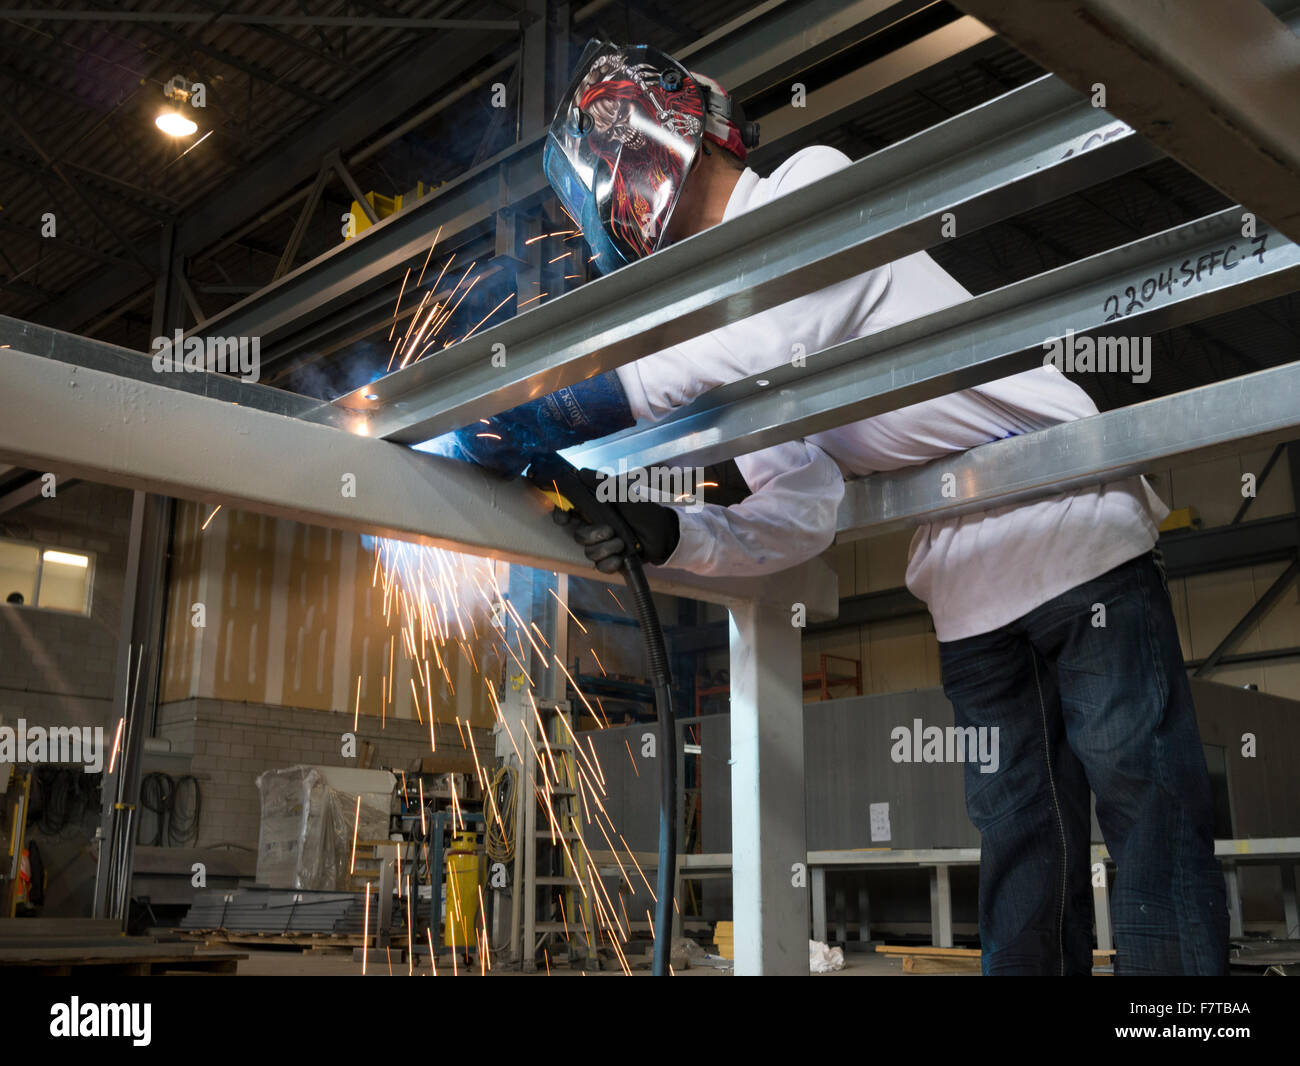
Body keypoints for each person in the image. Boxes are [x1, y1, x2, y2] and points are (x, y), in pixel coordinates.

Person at [418, 39, 1228, 975]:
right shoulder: (732, 348)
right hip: (967, 589)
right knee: (1020, 847)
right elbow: (799, 514)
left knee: (1149, 812)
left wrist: (558, 408)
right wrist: (673, 531)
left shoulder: (811, 188)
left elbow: (766, 333)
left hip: (1077, 521)